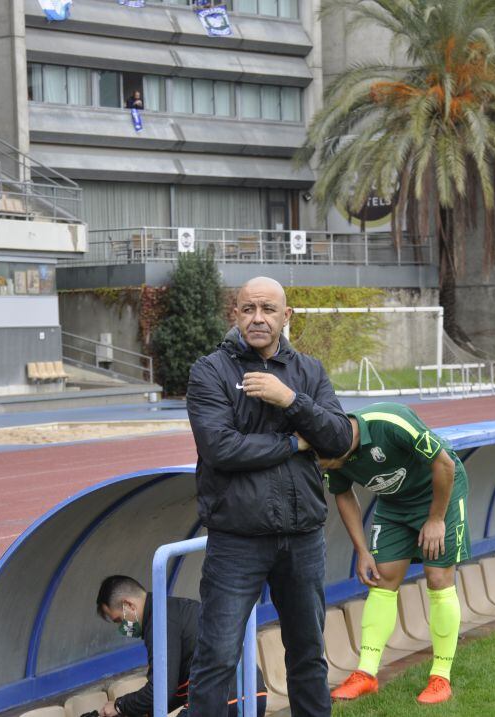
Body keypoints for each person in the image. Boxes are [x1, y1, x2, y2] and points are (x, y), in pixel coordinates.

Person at [186, 276, 353, 717]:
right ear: (235, 313)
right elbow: (220, 448)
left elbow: (338, 438)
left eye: (268, 309)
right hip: (236, 540)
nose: (258, 318)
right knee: (216, 658)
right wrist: (295, 444)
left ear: (286, 316)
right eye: (248, 309)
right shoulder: (210, 371)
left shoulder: (309, 372)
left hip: (302, 538)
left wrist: (291, 400)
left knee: (307, 653)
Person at [321, 402, 471, 705]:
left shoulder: (390, 421)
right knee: (383, 578)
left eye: (324, 463)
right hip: (394, 505)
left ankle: (440, 676)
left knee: (438, 578)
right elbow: (343, 494)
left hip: (439, 493)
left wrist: (436, 519)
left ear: (343, 447)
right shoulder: (326, 444)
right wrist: (362, 550)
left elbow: (445, 464)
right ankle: (366, 673)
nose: (321, 467)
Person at [94, 575, 267, 716]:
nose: (122, 627)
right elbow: (175, 689)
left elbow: (160, 691)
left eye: (119, 620)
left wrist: (119, 706)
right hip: (252, 693)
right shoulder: (175, 609)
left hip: (224, 700)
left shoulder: (160, 622)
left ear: (128, 605)